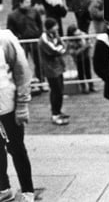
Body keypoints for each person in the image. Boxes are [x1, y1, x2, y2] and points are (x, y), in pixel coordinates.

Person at [0, 28, 35, 202]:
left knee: (16, 149)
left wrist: (22, 105)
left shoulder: (5, 39)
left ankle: (28, 190)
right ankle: (3, 188)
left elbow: (22, 72)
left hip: (8, 107)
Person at [37, 18, 69, 126]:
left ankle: (58, 111)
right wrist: (60, 49)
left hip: (58, 66)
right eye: (55, 25)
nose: (57, 27)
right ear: (50, 27)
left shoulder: (55, 34)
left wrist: (60, 48)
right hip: (50, 69)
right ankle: (54, 114)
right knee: (56, 91)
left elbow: (63, 45)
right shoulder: (44, 38)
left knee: (60, 90)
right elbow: (54, 51)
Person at [66, 24, 95, 94]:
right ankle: (83, 87)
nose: (78, 31)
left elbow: (90, 42)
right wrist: (84, 47)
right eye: (75, 31)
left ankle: (91, 86)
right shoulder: (70, 41)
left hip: (86, 56)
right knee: (81, 73)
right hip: (78, 59)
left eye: (77, 29)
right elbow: (74, 52)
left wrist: (88, 44)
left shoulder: (83, 34)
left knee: (88, 72)